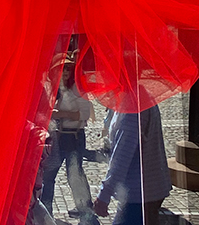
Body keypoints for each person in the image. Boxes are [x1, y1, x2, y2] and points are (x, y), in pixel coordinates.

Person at [41, 55, 99, 225]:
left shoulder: (78, 89)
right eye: (61, 69)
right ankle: (46, 213)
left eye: (67, 68)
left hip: (73, 137)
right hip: (57, 137)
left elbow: (85, 114)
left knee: (75, 175)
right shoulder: (54, 89)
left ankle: (86, 213)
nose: (64, 72)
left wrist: (60, 114)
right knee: (48, 176)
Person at [93, 105, 171, 225]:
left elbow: (122, 157)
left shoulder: (132, 109)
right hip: (149, 188)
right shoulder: (142, 101)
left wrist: (104, 194)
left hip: (139, 192)